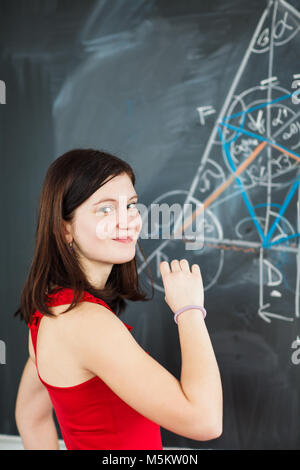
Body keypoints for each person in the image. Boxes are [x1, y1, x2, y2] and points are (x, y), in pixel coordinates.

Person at [14, 148, 223, 450]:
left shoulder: (49, 311)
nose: (127, 221)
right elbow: (205, 421)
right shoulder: (87, 324)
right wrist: (189, 310)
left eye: (132, 206)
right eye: (105, 209)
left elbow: (30, 415)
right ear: (65, 229)